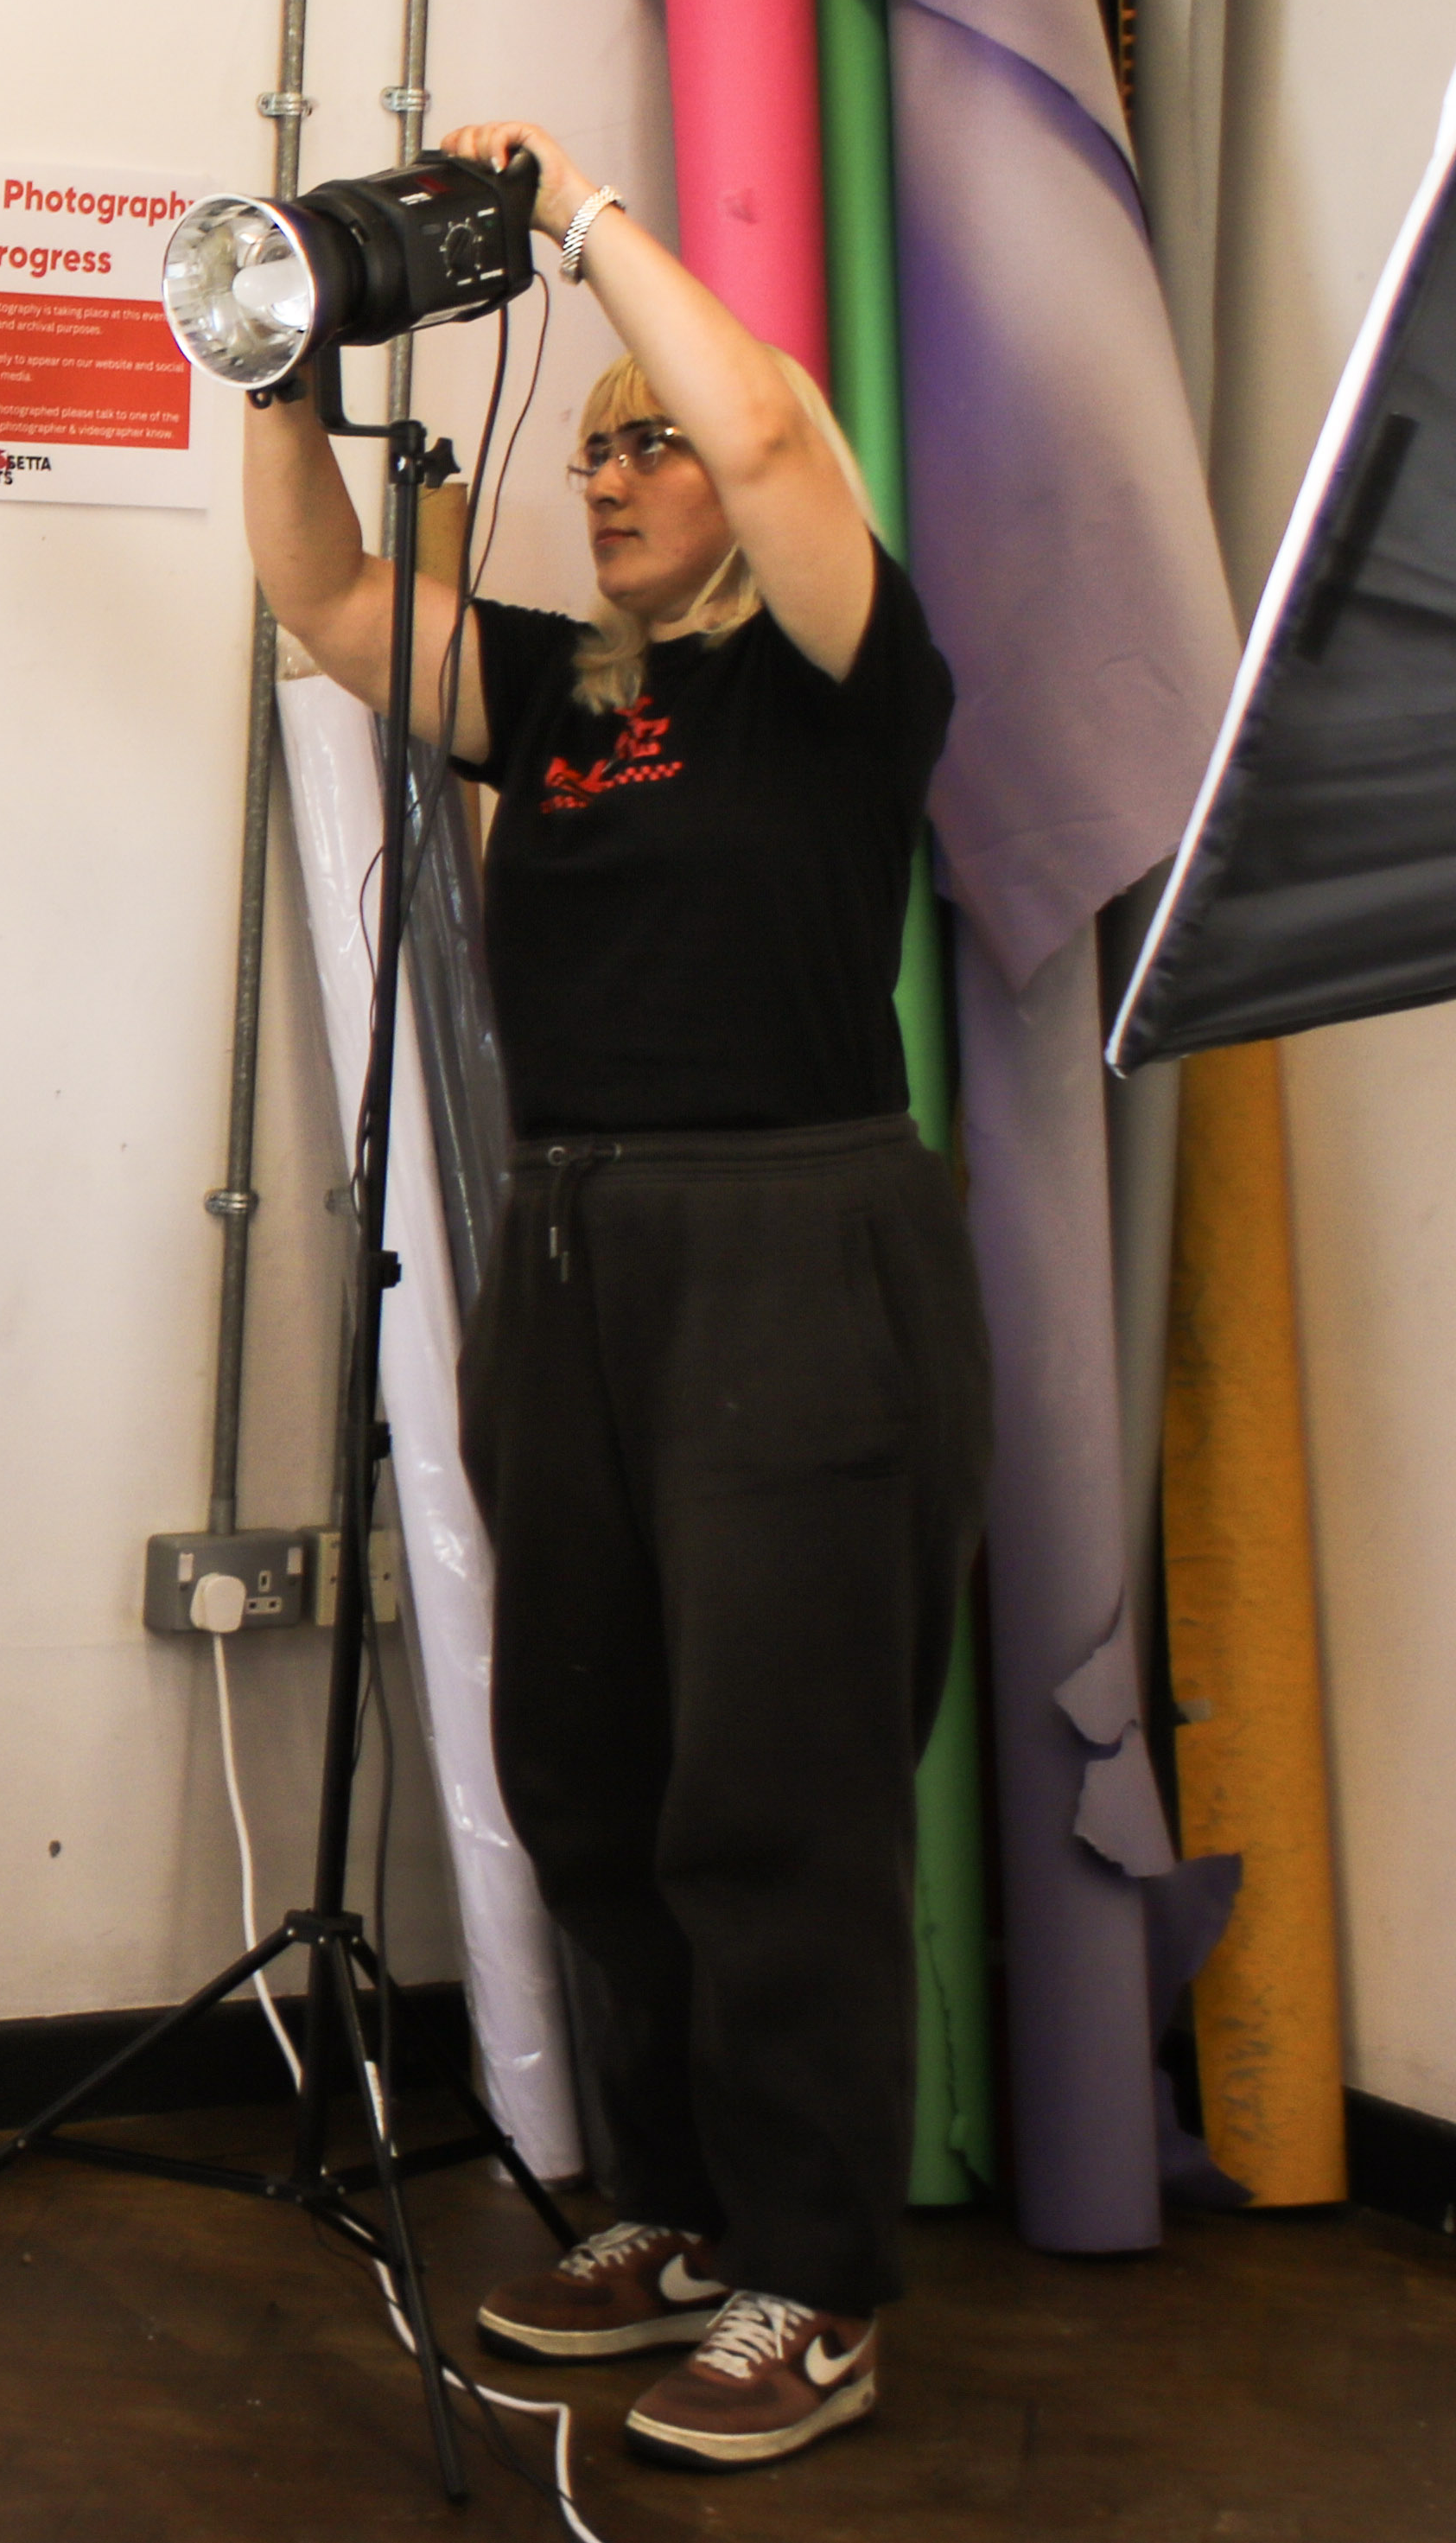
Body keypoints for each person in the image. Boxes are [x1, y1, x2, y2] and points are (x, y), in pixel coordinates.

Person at [239, 120, 987, 2478]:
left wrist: (575, 220)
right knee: (595, 1765)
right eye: (592, 444)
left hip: (796, 1253)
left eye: (649, 435)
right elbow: (331, 605)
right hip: (570, 1255)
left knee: (775, 1790)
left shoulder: (845, 679)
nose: (624, 465)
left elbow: (765, 423)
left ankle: (819, 2278)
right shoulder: (564, 690)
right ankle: (674, 2211)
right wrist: (279, 339)